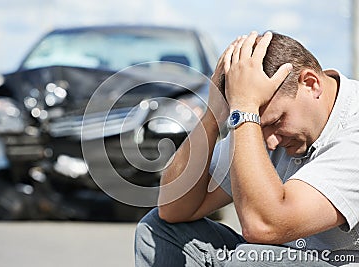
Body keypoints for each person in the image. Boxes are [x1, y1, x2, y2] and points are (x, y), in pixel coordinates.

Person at [134, 31, 359, 266]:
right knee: (157, 232)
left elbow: (263, 226)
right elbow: (173, 209)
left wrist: (246, 111)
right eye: (258, 127)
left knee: (253, 260)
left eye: (276, 122)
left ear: (311, 84)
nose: (270, 143)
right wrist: (212, 117)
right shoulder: (255, 121)